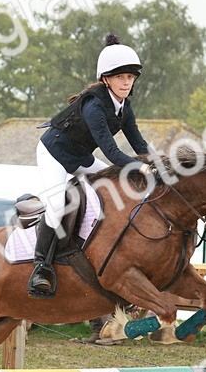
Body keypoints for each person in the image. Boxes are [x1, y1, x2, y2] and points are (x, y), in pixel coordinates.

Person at [28, 32, 152, 297]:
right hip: (54, 154)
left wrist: (160, 163)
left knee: (119, 185)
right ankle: (41, 267)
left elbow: (140, 146)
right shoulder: (94, 106)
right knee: (58, 203)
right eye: (121, 77)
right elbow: (113, 153)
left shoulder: (124, 108)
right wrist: (142, 168)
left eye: (130, 77)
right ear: (106, 79)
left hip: (81, 158)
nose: (126, 83)